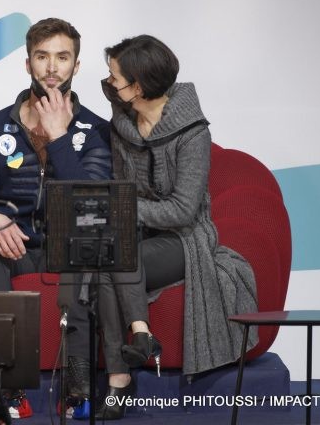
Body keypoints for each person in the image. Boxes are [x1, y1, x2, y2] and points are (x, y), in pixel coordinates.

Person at [95, 34, 258, 419]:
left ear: (137, 87)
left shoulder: (193, 133)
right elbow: (122, 190)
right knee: (106, 259)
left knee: (117, 257)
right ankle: (137, 345)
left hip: (185, 239)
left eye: (113, 78)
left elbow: (184, 211)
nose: (107, 84)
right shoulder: (122, 124)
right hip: (135, 234)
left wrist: (127, 210)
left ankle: (121, 377)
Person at [0, 17, 112, 417]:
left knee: (84, 253)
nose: (51, 68)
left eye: (62, 57)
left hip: (68, 247)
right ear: (28, 64)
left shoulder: (95, 129)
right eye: (42, 57)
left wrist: (60, 138)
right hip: (17, 245)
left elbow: (90, 204)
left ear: (76, 66)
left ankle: (78, 388)